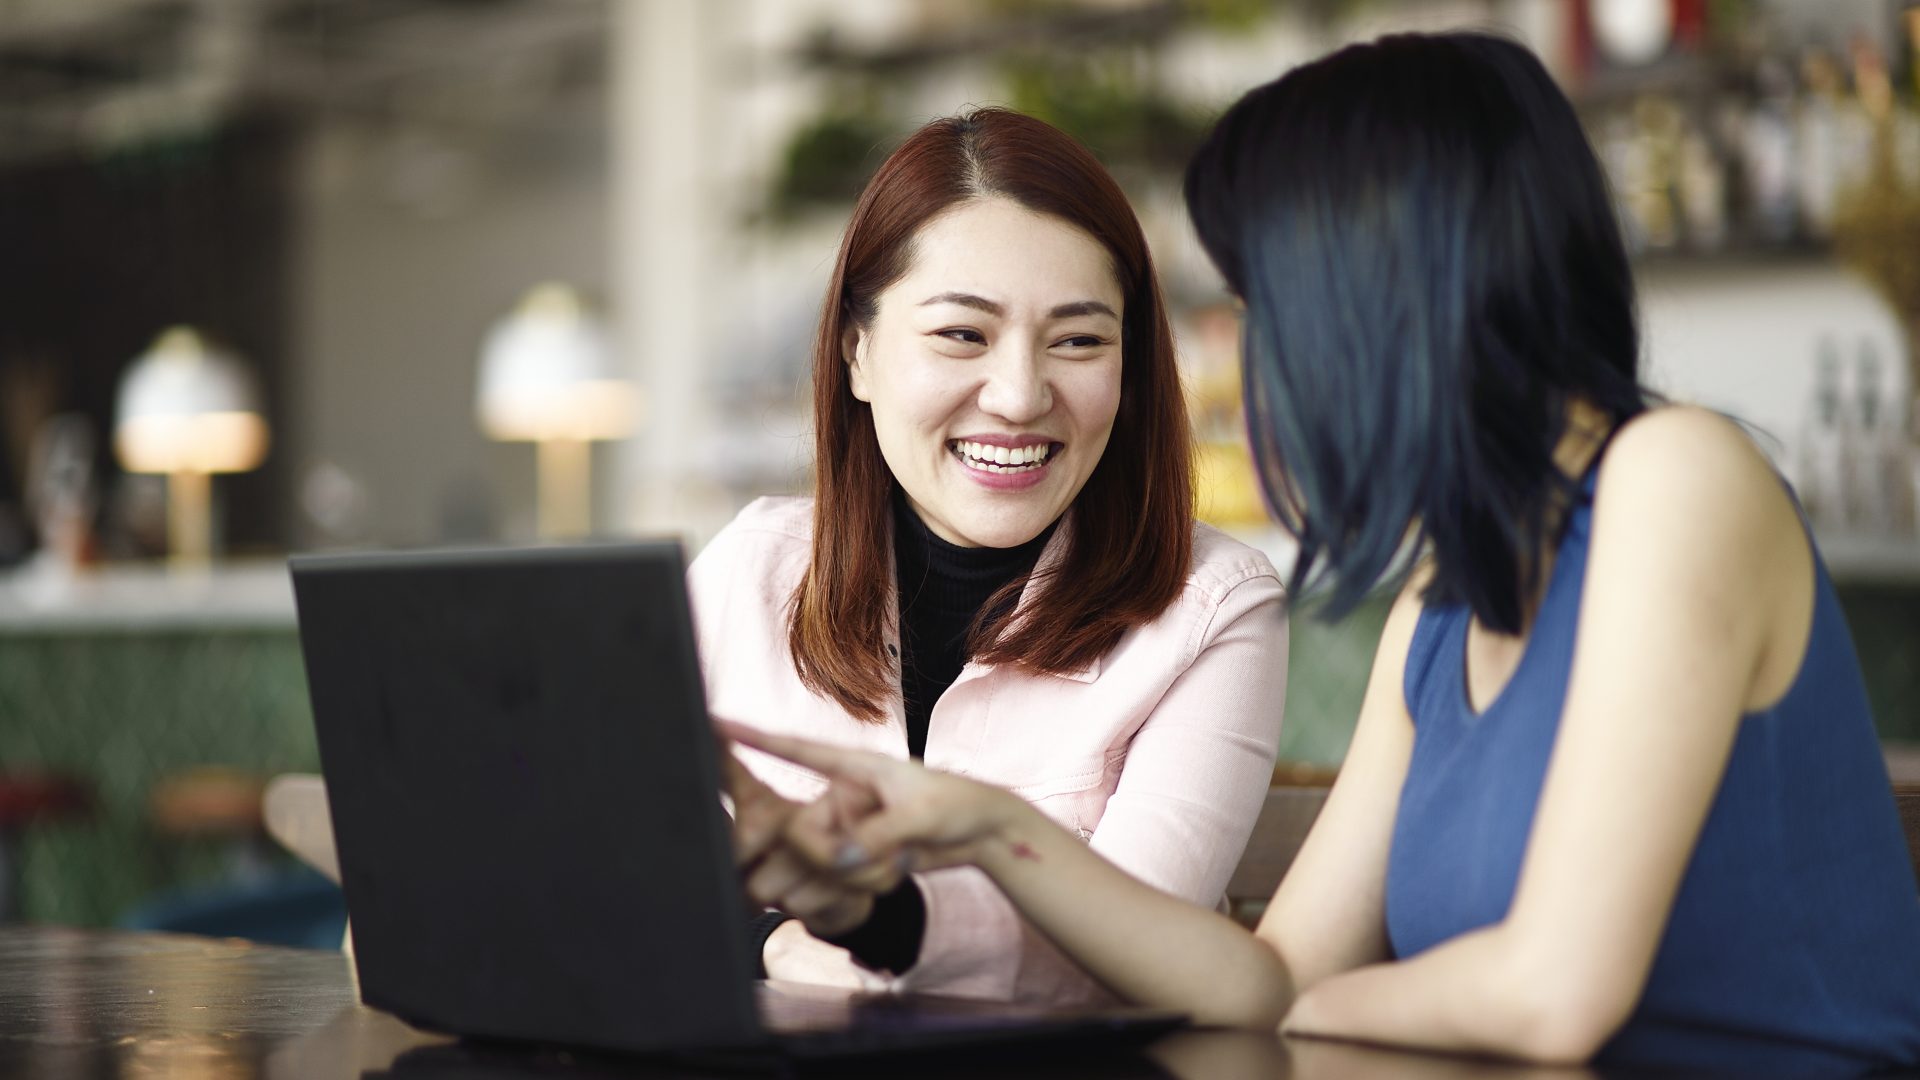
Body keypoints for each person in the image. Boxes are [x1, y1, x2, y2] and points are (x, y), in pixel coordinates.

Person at [725, 33, 1920, 1072]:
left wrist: (1311, 1004)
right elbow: (1265, 976)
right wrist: (983, 828)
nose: (1256, 354)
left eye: (1264, 300)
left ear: (1373, 290)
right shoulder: (1445, 607)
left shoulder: (1678, 476)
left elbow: (1550, 995)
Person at [691, 107, 1289, 1003]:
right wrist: (774, 941)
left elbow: (1134, 952)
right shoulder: (748, 572)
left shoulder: (1214, 608)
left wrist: (864, 925)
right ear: (858, 353)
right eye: (962, 335)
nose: (1017, 396)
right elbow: (600, 864)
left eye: (1079, 340)